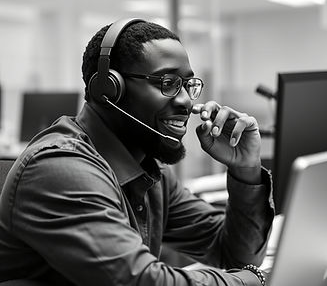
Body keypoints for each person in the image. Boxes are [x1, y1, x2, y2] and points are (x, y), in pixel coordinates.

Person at [0, 18, 274, 286]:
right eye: (167, 83)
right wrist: (254, 280)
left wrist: (245, 169)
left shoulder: (148, 172)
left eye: (188, 85)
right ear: (109, 89)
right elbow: (141, 280)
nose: (186, 102)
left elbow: (238, 254)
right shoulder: (59, 168)